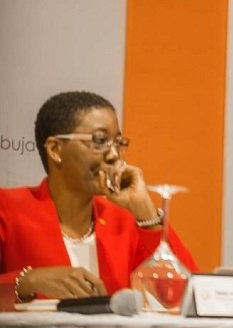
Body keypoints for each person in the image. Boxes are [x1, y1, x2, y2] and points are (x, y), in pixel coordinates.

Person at [0, 91, 198, 305]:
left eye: (118, 143)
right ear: (56, 149)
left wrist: (145, 211)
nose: (114, 155)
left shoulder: (122, 221)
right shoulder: (8, 208)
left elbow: (190, 294)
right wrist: (28, 281)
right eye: (100, 140)